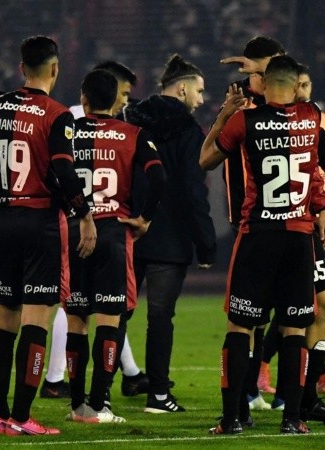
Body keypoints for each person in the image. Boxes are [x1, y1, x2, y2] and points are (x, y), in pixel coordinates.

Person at [0, 35, 97, 436]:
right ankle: (22, 417)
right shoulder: (57, 114)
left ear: (18, 69)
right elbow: (65, 171)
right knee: (36, 320)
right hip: (41, 222)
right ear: (54, 69)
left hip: (3, 221)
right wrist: (84, 214)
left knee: (3, 321)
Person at [200, 55, 325, 435]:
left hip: (258, 234)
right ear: (294, 86)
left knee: (240, 326)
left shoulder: (245, 120)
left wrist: (223, 117)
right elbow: (315, 170)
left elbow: (206, 160)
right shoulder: (310, 116)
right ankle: (292, 420)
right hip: (298, 237)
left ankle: (231, 421)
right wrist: (322, 209)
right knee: (294, 328)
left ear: (263, 83)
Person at [63, 69, 165, 424]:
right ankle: (99, 405)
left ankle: (77, 405)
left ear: (84, 99)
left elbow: (55, 176)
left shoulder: (66, 133)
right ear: (117, 100)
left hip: (73, 233)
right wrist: (145, 218)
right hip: (113, 233)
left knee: (76, 321)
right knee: (110, 320)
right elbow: (158, 176)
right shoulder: (132, 134)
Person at [122, 53, 215, 413]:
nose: (201, 100)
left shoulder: (129, 119)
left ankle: (91, 394)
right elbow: (193, 191)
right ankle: (158, 394)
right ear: (181, 89)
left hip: (127, 230)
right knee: (160, 317)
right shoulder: (189, 131)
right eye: (199, 91)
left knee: (112, 315)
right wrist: (206, 244)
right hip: (169, 238)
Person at [258, 65, 325, 405]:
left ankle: (296, 388)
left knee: (314, 306)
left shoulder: (309, 115)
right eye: (302, 83)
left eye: (309, 83)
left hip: (306, 219)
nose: (305, 89)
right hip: (290, 225)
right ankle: (294, 389)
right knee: (307, 306)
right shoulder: (290, 118)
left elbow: (318, 170)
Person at [219, 37, 285, 407]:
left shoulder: (276, 100)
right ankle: (242, 394)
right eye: (269, 65)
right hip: (249, 216)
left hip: (277, 217)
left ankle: (252, 388)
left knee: (265, 311)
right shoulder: (242, 101)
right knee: (248, 313)